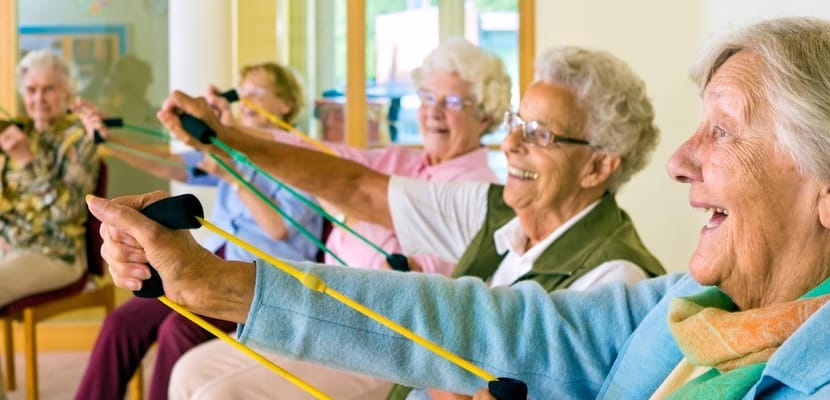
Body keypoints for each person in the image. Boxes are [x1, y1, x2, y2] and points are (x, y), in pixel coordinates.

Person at [113, 41, 666, 399]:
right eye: (520, 123)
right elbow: (354, 183)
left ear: (599, 165)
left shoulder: (617, 278)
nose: (514, 144)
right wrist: (228, 138)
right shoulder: (496, 209)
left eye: (541, 135)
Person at [169, 38, 513, 399]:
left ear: (485, 115)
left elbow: (419, 284)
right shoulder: (403, 162)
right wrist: (229, 132)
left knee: (221, 395)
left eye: (453, 102)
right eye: (428, 97)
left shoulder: (478, 190)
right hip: (323, 315)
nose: (434, 111)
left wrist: (233, 136)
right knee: (190, 371)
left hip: (386, 341)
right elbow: (322, 158)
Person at [72, 62, 324, 400]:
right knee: (122, 324)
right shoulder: (234, 146)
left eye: (256, 92)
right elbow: (169, 164)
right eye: (243, 91)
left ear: (286, 104)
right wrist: (110, 139)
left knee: (177, 330)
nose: (245, 99)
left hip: (264, 275)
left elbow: (277, 229)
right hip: (215, 257)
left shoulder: (304, 157)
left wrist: (233, 173)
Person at [0, 49, 99, 307]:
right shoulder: (17, 132)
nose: (39, 98)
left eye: (49, 89)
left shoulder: (79, 141)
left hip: (57, 253)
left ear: (67, 93)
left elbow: (66, 211)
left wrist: (27, 161)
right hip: (9, 246)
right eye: (31, 90)